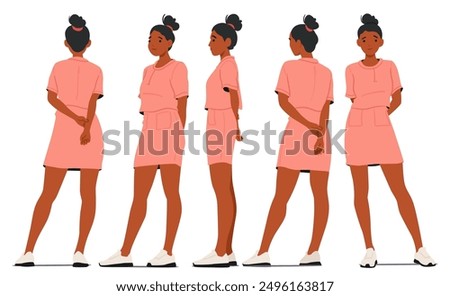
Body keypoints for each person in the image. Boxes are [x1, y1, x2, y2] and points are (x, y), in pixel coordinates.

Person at [345, 13, 436, 268]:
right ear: (358, 43)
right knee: (361, 191)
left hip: (382, 127)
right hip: (358, 127)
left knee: (400, 189)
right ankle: (369, 248)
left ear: (381, 42)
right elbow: (353, 99)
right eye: (364, 39)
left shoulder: (390, 66)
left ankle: (419, 247)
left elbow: (397, 98)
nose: (369, 43)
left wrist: (381, 114)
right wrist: (369, 113)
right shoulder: (351, 69)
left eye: (374, 38)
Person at [15, 14, 104, 267]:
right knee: (88, 194)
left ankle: (29, 250)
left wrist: (74, 118)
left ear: (66, 43)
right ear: (89, 43)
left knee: (48, 193)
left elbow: (52, 99)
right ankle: (79, 251)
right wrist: (85, 125)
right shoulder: (96, 70)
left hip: (65, 130)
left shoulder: (58, 67)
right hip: (89, 129)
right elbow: (92, 103)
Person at [243, 15, 332, 266]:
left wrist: (309, 127)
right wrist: (320, 134)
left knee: (281, 195)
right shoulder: (326, 72)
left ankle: (263, 251)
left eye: (291, 40)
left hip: (297, 131)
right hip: (320, 134)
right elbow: (326, 108)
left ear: (299, 43)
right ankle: (313, 250)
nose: (289, 44)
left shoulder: (288, 67)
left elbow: (284, 102)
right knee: (319, 195)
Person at [99, 15, 188, 267]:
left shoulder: (178, 67)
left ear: (169, 42)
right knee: (139, 195)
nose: (153, 43)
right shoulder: (147, 70)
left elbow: (182, 103)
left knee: (171, 192)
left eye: (159, 39)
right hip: (148, 131)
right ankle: (125, 252)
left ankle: (168, 251)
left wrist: (179, 134)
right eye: (150, 39)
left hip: (170, 129)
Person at [193, 14, 243, 268]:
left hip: (221, 124)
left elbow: (233, 95)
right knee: (225, 190)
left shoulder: (227, 66)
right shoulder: (224, 65)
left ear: (226, 40)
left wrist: (235, 124)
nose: (209, 43)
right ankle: (228, 249)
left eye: (214, 39)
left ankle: (221, 250)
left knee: (222, 189)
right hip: (220, 122)